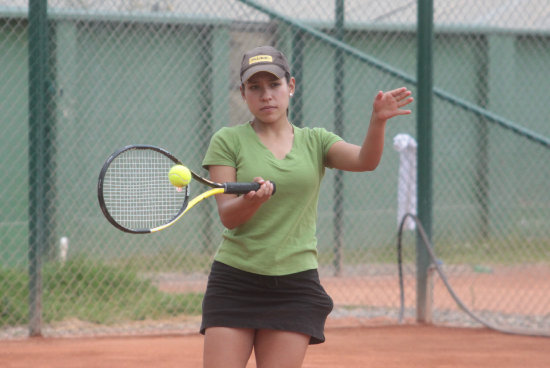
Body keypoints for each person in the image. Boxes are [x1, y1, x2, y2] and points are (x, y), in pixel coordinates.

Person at [200, 45, 413, 368]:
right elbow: (228, 217)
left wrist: (378, 121)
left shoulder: (316, 141)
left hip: (294, 285)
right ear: (243, 93)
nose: (266, 95)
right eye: (254, 87)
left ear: (291, 86)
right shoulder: (227, 140)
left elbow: (365, 161)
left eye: (273, 85)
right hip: (235, 281)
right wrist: (251, 203)